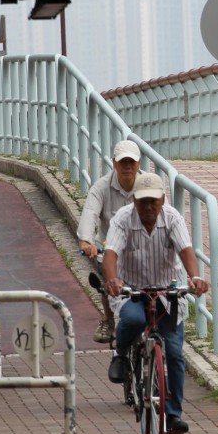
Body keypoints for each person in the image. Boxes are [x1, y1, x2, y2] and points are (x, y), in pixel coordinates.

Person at [102, 171, 210, 434]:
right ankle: (120, 355)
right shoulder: (123, 219)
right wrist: (113, 279)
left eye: (153, 201)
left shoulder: (172, 218)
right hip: (133, 291)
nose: (148, 207)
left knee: (173, 351)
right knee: (135, 320)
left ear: (162, 200)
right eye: (142, 202)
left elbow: (186, 250)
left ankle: (173, 415)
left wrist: (195, 277)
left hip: (167, 292)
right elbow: (111, 253)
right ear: (134, 201)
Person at [77, 139, 142, 343]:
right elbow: (90, 213)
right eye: (123, 162)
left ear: (139, 164)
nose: (128, 167)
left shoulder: (148, 185)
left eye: (132, 162)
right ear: (114, 162)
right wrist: (87, 242)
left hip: (142, 246)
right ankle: (108, 319)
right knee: (107, 279)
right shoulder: (101, 187)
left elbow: (163, 212)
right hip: (110, 246)